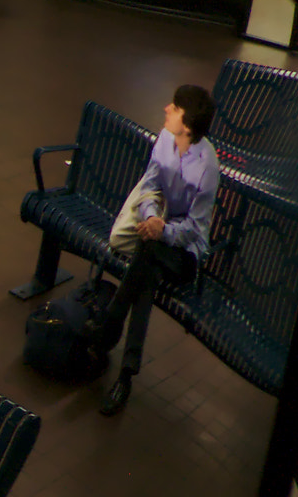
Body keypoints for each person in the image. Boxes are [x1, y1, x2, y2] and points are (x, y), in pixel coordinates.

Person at [83, 84, 220, 417]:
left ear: (187, 125)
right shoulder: (164, 140)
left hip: (185, 254)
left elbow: (194, 230)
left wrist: (163, 231)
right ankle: (126, 375)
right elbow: (150, 183)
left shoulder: (207, 167)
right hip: (157, 238)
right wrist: (149, 219)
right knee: (146, 272)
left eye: (174, 108)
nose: (166, 109)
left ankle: (108, 329)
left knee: (147, 254)